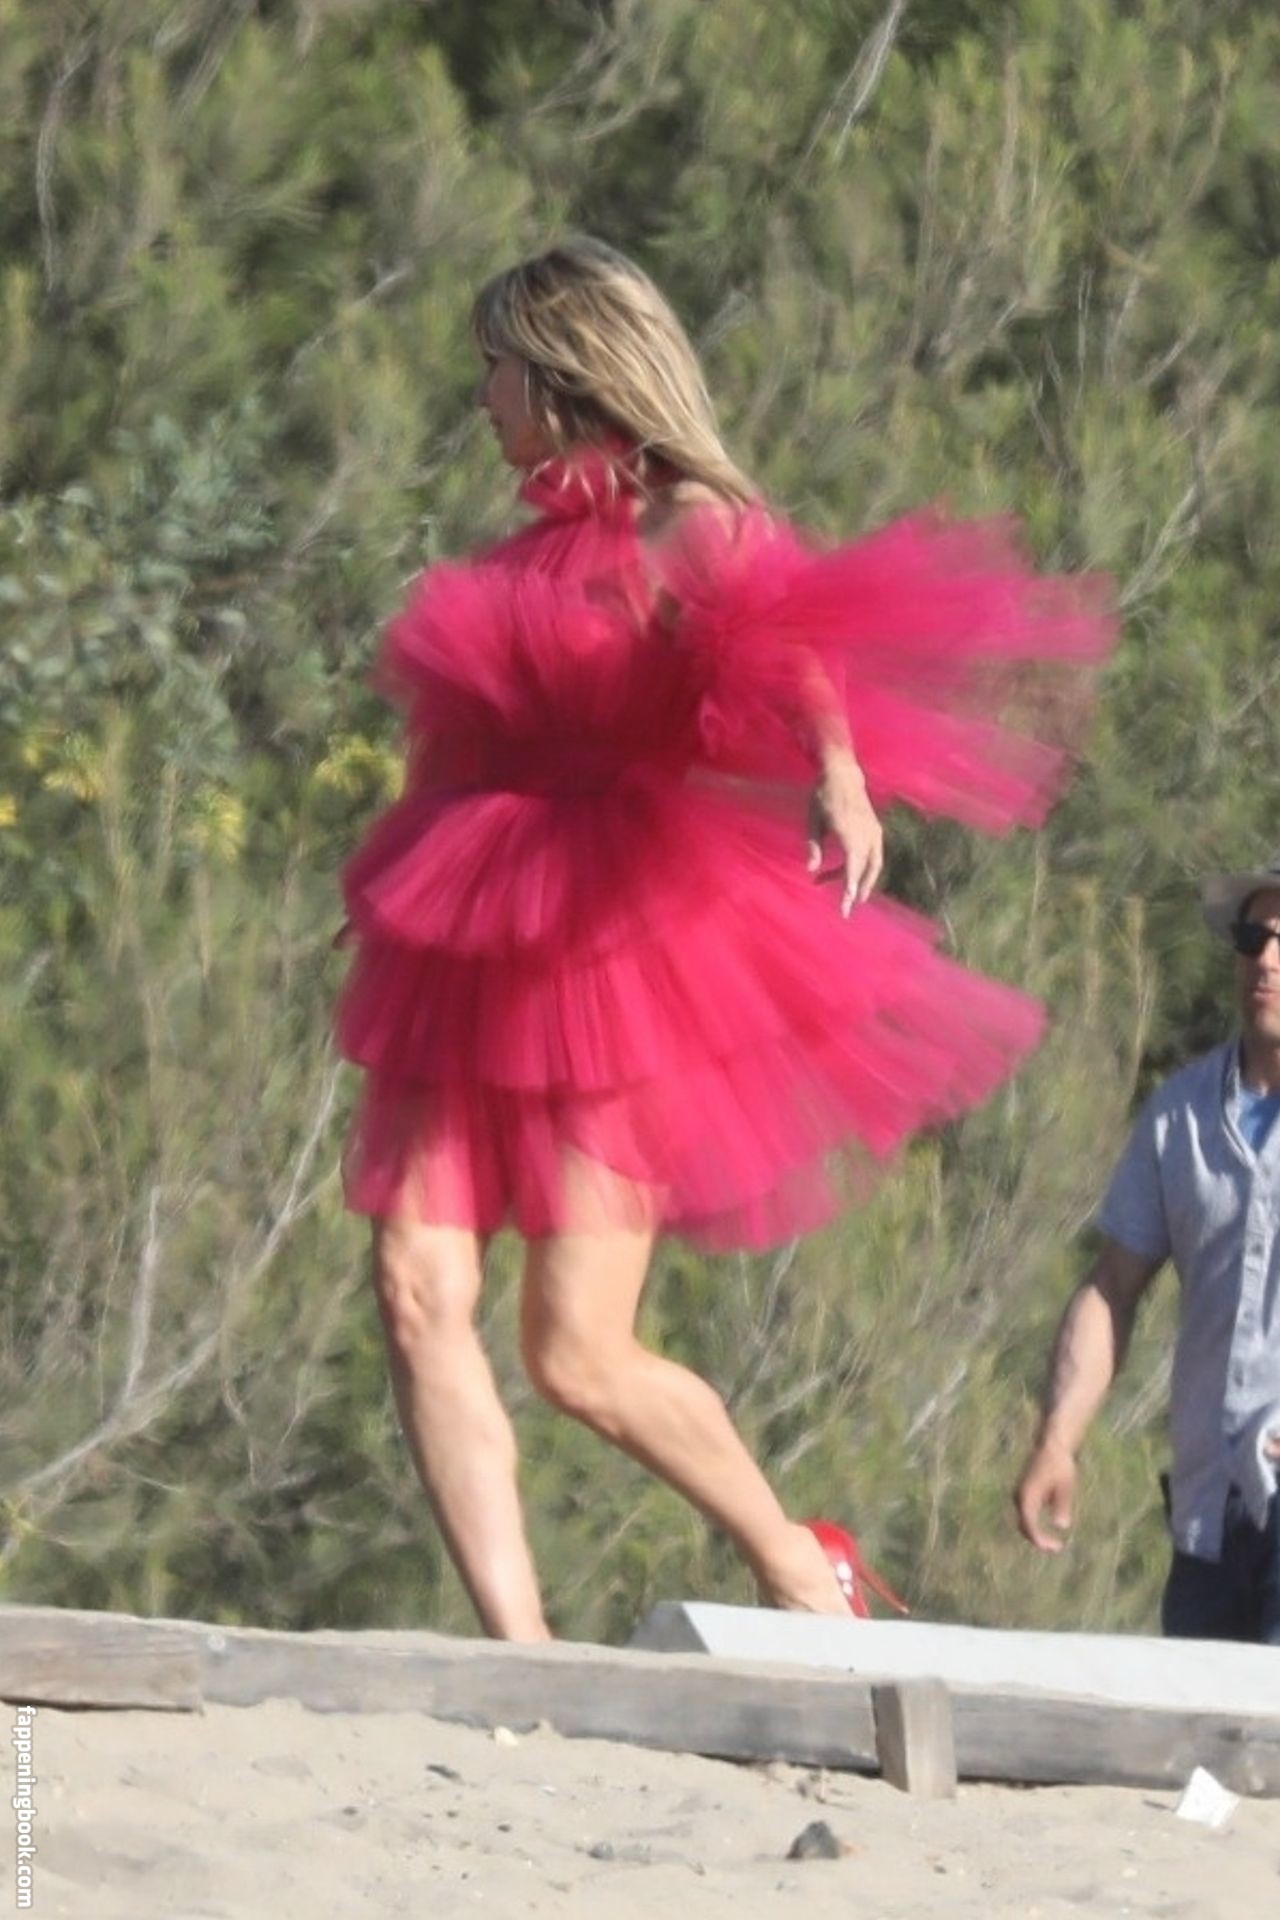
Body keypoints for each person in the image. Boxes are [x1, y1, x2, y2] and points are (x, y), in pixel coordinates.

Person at [336, 237, 1113, 1641]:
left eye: (495, 368)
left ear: (563, 368)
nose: (482, 397)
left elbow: (782, 641)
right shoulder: (523, 556)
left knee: (574, 1353)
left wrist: (838, 767)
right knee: (413, 1285)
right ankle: (523, 1658)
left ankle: (796, 1561)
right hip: (465, 940)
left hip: (615, 954)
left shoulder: (686, 519)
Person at [1014, 853, 1280, 1644]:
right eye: (1253, 939)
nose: (1267, 960)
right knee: (1193, 1724)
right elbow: (1112, 1287)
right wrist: (1057, 1440)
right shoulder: (1179, 1114)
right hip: (1207, 1519)